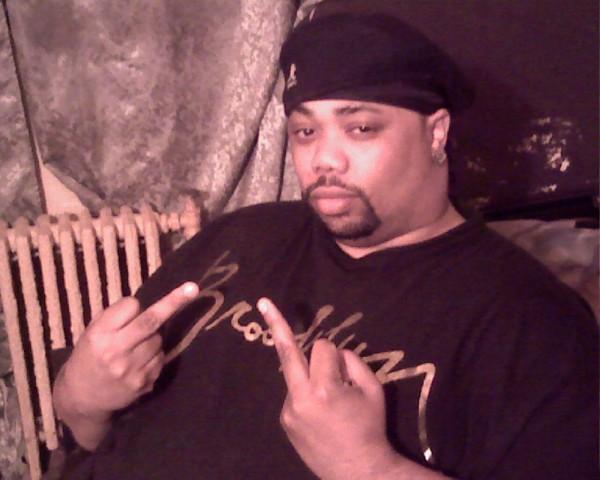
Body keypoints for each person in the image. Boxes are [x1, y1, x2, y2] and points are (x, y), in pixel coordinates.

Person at [53, 1, 599, 479]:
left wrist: (369, 468)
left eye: (360, 128)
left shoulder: (530, 322)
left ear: (436, 133)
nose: (324, 159)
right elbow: (89, 432)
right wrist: (80, 400)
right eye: (306, 131)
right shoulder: (239, 236)